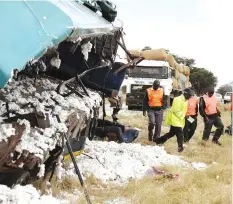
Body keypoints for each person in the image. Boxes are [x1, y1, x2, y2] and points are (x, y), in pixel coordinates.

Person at [154, 88, 193, 152]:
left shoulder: (186, 101)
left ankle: (158, 141)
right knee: (180, 133)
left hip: (179, 119)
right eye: (189, 95)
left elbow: (183, 111)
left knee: (171, 133)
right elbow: (176, 111)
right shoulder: (177, 99)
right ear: (185, 94)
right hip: (174, 118)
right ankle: (180, 148)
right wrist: (184, 116)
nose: (190, 97)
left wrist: (190, 119)